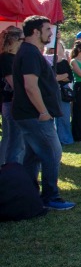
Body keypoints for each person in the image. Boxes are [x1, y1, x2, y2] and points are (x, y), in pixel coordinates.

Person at [12, 16, 75, 210]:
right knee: (52, 153)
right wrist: (43, 111)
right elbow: (30, 86)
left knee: (33, 156)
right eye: (48, 30)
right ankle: (50, 197)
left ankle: (29, 194)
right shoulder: (30, 53)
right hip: (35, 115)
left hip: (30, 115)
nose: (51, 34)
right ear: (35, 32)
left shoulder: (30, 52)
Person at [0, 26, 24, 165]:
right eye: (21, 39)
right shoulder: (6, 58)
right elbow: (12, 82)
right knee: (15, 141)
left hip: (10, 102)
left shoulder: (12, 57)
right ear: (14, 40)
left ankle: (6, 168)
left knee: (10, 138)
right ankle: (12, 171)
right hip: (11, 102)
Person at [50, 41, 74, 146]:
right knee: (53, 117)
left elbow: (70, 77)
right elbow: (51, 78)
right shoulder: (48, 62)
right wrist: (62, 76)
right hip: (52, 91)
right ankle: (55, 140)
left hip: (64, 91)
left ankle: (66, 139)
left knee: (64, 115)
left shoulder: (64, 62)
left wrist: (59, 77)